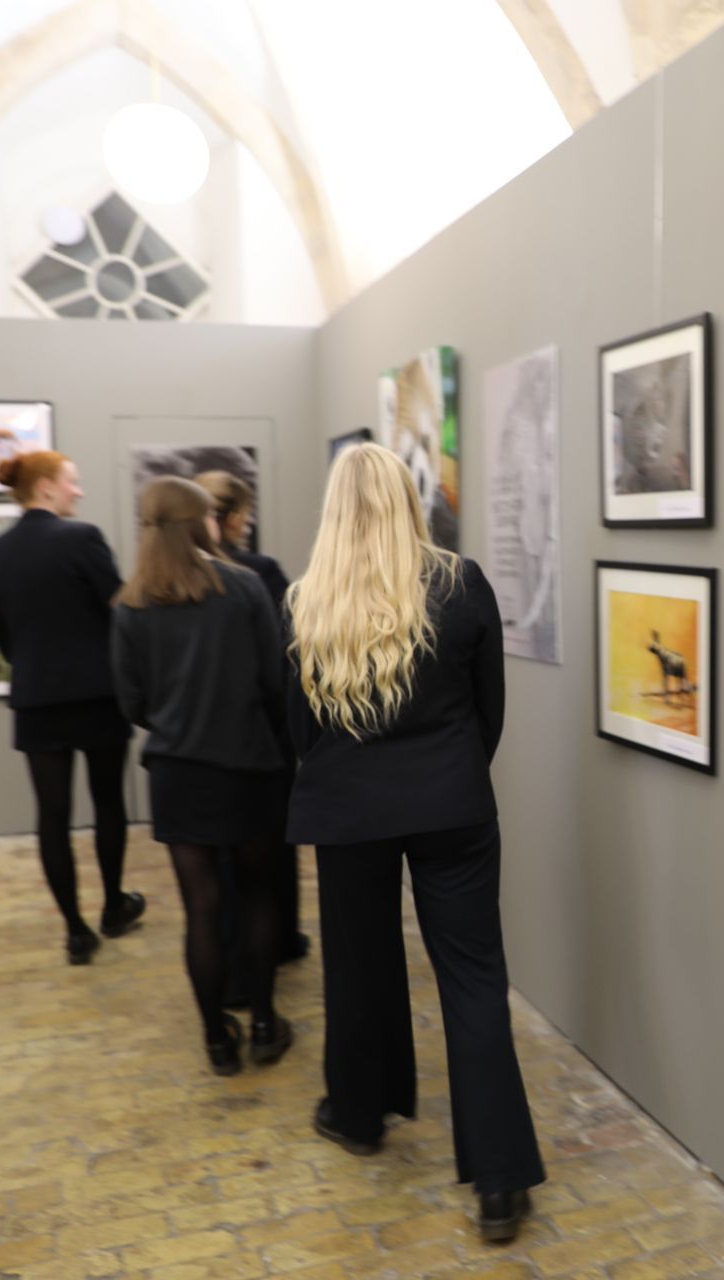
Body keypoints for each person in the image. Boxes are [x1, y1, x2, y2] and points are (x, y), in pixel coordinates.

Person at [286, 442, 544, 1243]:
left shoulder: (304, 601)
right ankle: (499, 1183)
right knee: (472, 981)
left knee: (359, 968)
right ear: (410, 500)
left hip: (349, 814)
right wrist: (451, 774)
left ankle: (359, 1115)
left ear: (335, 510)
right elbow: (488, 712)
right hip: (452, 807)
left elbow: (299, 731)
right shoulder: (461, 585)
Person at [111, 476, 294, 1076]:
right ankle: (266, 1023)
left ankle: (217, 1039)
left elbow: (131, 702)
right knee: (261, 896)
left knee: (201, 910)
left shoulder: (131, 603)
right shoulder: (242, 588)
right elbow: (275, 681)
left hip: (178, 774)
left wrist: (172, 719)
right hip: (250, 765)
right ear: (202, 522)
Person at [0, 439, 145, 965]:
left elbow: (3, 636)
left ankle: (75, 931)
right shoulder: (82, 538)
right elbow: (120, 610)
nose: (80, 489)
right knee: (108, 803)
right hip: (97, 694)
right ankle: (114, 906)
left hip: (36, 698)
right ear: (47, 487)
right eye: (72, 480)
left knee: (52, 815)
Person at [193, 469, 309, 975]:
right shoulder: (260, 573)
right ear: (237, 517)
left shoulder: (170, 576)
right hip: (262, 736)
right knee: (270, 858)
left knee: (211, 866)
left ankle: (228, 959)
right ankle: (277, 945)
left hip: (196, 742)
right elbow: (291, 653)